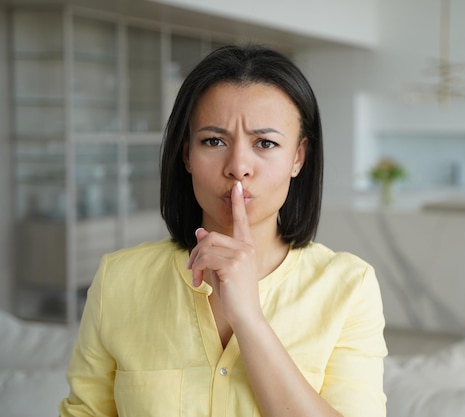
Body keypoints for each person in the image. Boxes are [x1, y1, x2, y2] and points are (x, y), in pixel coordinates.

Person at [59, 44, 387, 417]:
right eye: (214, 141)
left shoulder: (348, 286)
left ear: (298, 156)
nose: (238, 167)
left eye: (265, 143)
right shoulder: (119, 279)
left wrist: (248, 317)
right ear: (186, 154)